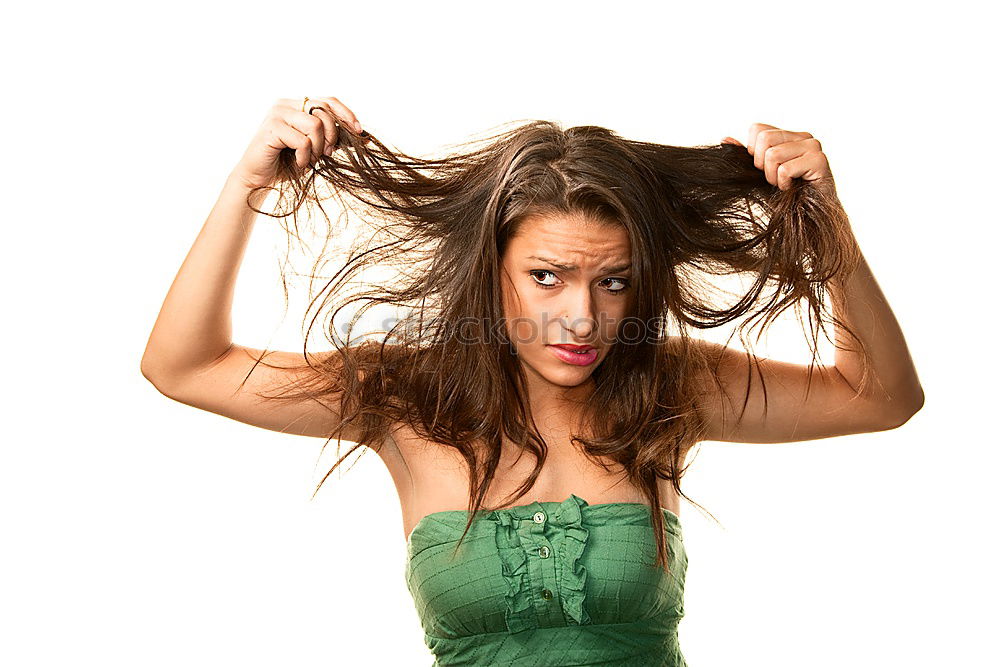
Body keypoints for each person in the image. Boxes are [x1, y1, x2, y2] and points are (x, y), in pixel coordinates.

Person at [140, 95, 924, 666]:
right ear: (494, 273)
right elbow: (184, 365)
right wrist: (251, 180)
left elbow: (882, 395)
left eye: (613, 282)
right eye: (547, 276)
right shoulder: (401, 396)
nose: (582, 316)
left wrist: (827, 218)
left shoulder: (669, 386)